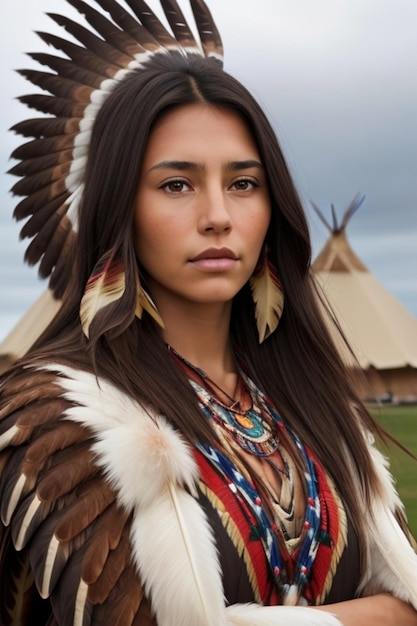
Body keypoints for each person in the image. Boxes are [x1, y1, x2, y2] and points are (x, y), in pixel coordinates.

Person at [0, 1, 416, 625]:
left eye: (244, 183)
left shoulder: (317, 404)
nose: (218, 215)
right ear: (119, 208)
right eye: (177, 184)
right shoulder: (57, 421)